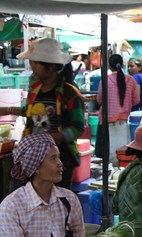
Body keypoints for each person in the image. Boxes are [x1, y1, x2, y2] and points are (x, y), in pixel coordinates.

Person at [0, 38, 85, 189]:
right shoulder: (35, 89)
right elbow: (30, 112)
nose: (31, 66)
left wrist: (45, 138)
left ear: (51, 66)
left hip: (61, 160)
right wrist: (7, 110)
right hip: (33, 159)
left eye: (35, 62)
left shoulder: (70, 93)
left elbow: (77, 129)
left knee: (57, 202)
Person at [95, 54, 140, 164]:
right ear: (123, 64)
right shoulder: (131, 80)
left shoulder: (105, 80)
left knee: (108, 151)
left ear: (110, 66)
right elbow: (136, 100)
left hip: (108, 120)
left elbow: (99, 99)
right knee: (122, 151)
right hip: (124, 120)